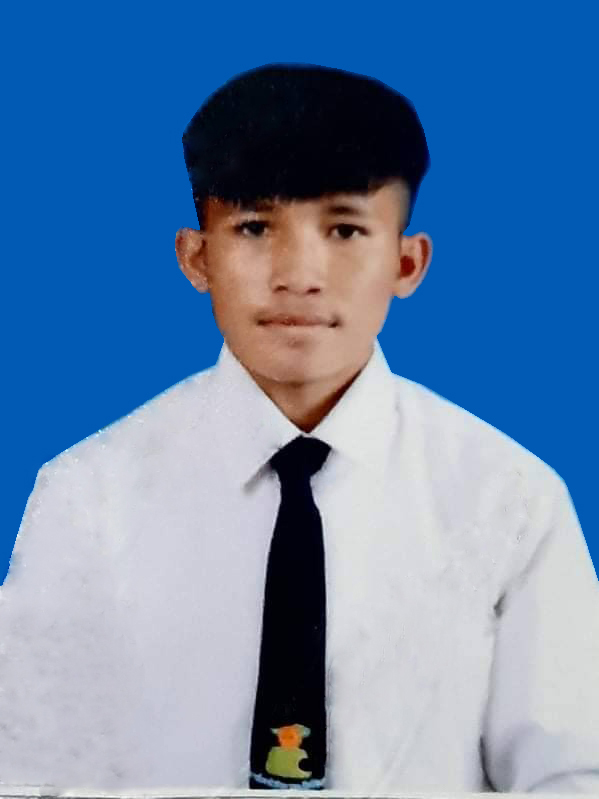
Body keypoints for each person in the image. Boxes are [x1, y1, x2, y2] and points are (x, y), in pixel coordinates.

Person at [2, 63, 598, 794]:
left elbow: (574, 775)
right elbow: (26, 774)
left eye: (344, 229)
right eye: (254, 227)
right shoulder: (87, 497)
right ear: (197, 257)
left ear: (406, 262)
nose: (298, 274)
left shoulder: (509, 501)